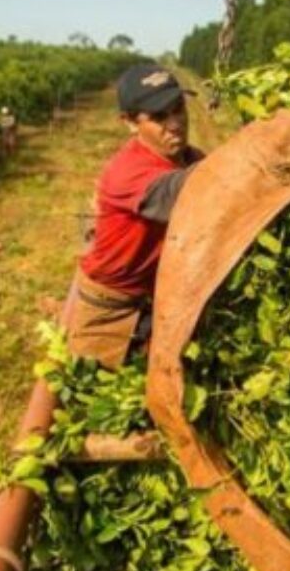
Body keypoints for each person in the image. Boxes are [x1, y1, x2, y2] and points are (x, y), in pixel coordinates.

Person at [63, 63, 204, 368]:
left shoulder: (190, 158)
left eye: (178, 108)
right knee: (99, 399)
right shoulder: (128, 172)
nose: (176, 123)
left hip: (155, 299)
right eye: (158, 117)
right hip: (111, 311)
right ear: (129, 123)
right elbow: (192, 193)